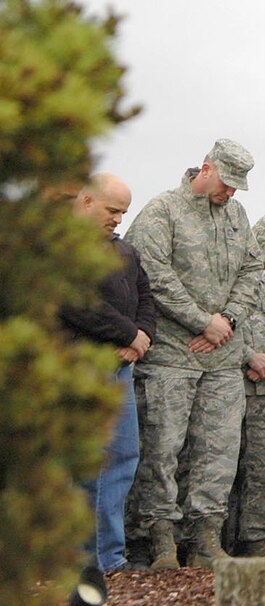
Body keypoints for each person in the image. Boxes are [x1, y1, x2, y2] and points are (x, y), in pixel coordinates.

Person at [125, 139, 262, 568]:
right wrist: (201, 321)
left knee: (219, 449)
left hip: (222, 356)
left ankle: (205, 538)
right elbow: (152, 272)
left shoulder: (237, 216)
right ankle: (160, 540)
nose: (230, 193)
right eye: (226, 183)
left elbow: (253, 270)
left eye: (238, 187)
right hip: (171, 351)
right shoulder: (163, 210)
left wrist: (228, 321)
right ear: (206, 169)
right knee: (163, 448)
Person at [60, 173, 155, 588]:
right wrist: (127, 333)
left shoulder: (125, 252)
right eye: (112, 210)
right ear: (85, 201)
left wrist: (142, 338)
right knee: (87, 465)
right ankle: (83, 559)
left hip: (120, 370)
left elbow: (146, 296)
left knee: (123, 458)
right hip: (79, 365)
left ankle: (109, 556)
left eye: (123, 212)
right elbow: (74, 301)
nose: (118, 219)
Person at [225, 215, 265, 556]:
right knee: (222, 468)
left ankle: (253, 539)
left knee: (261, 469)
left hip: (263, 393)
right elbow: (218, 326)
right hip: (228, 386)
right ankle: (215, 541)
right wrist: (249, 356)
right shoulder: (227, 272)